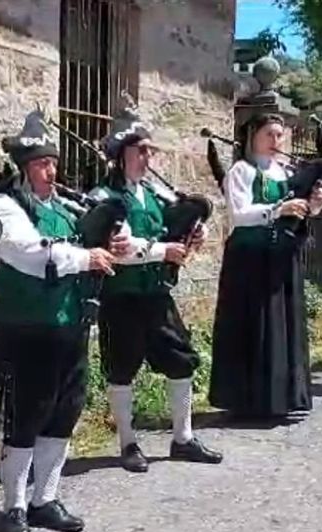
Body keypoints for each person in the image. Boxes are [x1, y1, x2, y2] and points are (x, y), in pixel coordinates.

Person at [0, 110, 130, 532]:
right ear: (22, 168)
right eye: (42, 164)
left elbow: (93, 238)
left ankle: (44, 499)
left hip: (71, 326)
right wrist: (86, 258)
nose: (51, 172)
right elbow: (27, 252)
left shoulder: (66, 208)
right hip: (24, 328)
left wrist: (114, 243)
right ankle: (13, 505)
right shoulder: (2, 207)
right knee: (23, 417)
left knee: (63, 414)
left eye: (52, 163)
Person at [89, 105, 220, 472]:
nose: (148, 157)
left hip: (156, 294)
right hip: (121, 296)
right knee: (122, 367)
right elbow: (121, 247)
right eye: (140, 150)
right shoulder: (102, 198)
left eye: (150, 150)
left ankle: (183, 438)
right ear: (120, 155)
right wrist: (165, 250)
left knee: (181, 359)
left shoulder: (154, 193)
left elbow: (181, 217)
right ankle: (128, 443)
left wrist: (196, 231)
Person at [208, 113, 322, 418]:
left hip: (281, 257)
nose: (276, 141)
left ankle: (281, 399)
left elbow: (298, 212)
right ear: (253, 137)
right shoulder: (241, 171)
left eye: (279, 135)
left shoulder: (284, 172)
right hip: (248, 258)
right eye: (269, 135)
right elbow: (239, 214)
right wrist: (277, 209)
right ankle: (247, 402)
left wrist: (314, 204)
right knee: (252, 325)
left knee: (282, 324)